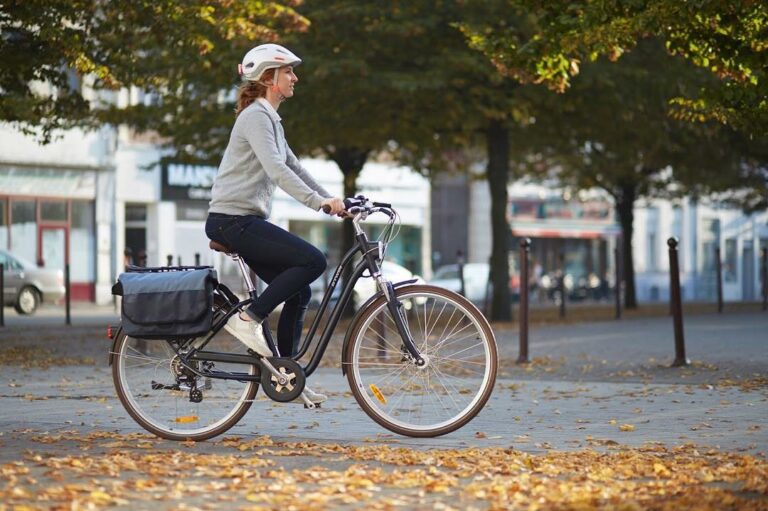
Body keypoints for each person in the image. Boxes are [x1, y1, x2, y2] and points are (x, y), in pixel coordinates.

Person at [205, 43, 345, 403]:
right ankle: (249, 319)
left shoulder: (270, 120)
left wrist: (334, 201)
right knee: (313, 261)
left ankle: (286, 374)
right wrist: (317, 203)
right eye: (289, 72)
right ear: (269, 78)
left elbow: (294, 166)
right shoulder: (255, 116)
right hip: (232, 221)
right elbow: (277, 169)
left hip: (242, 221)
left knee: (300, 291)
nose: (295, 78)